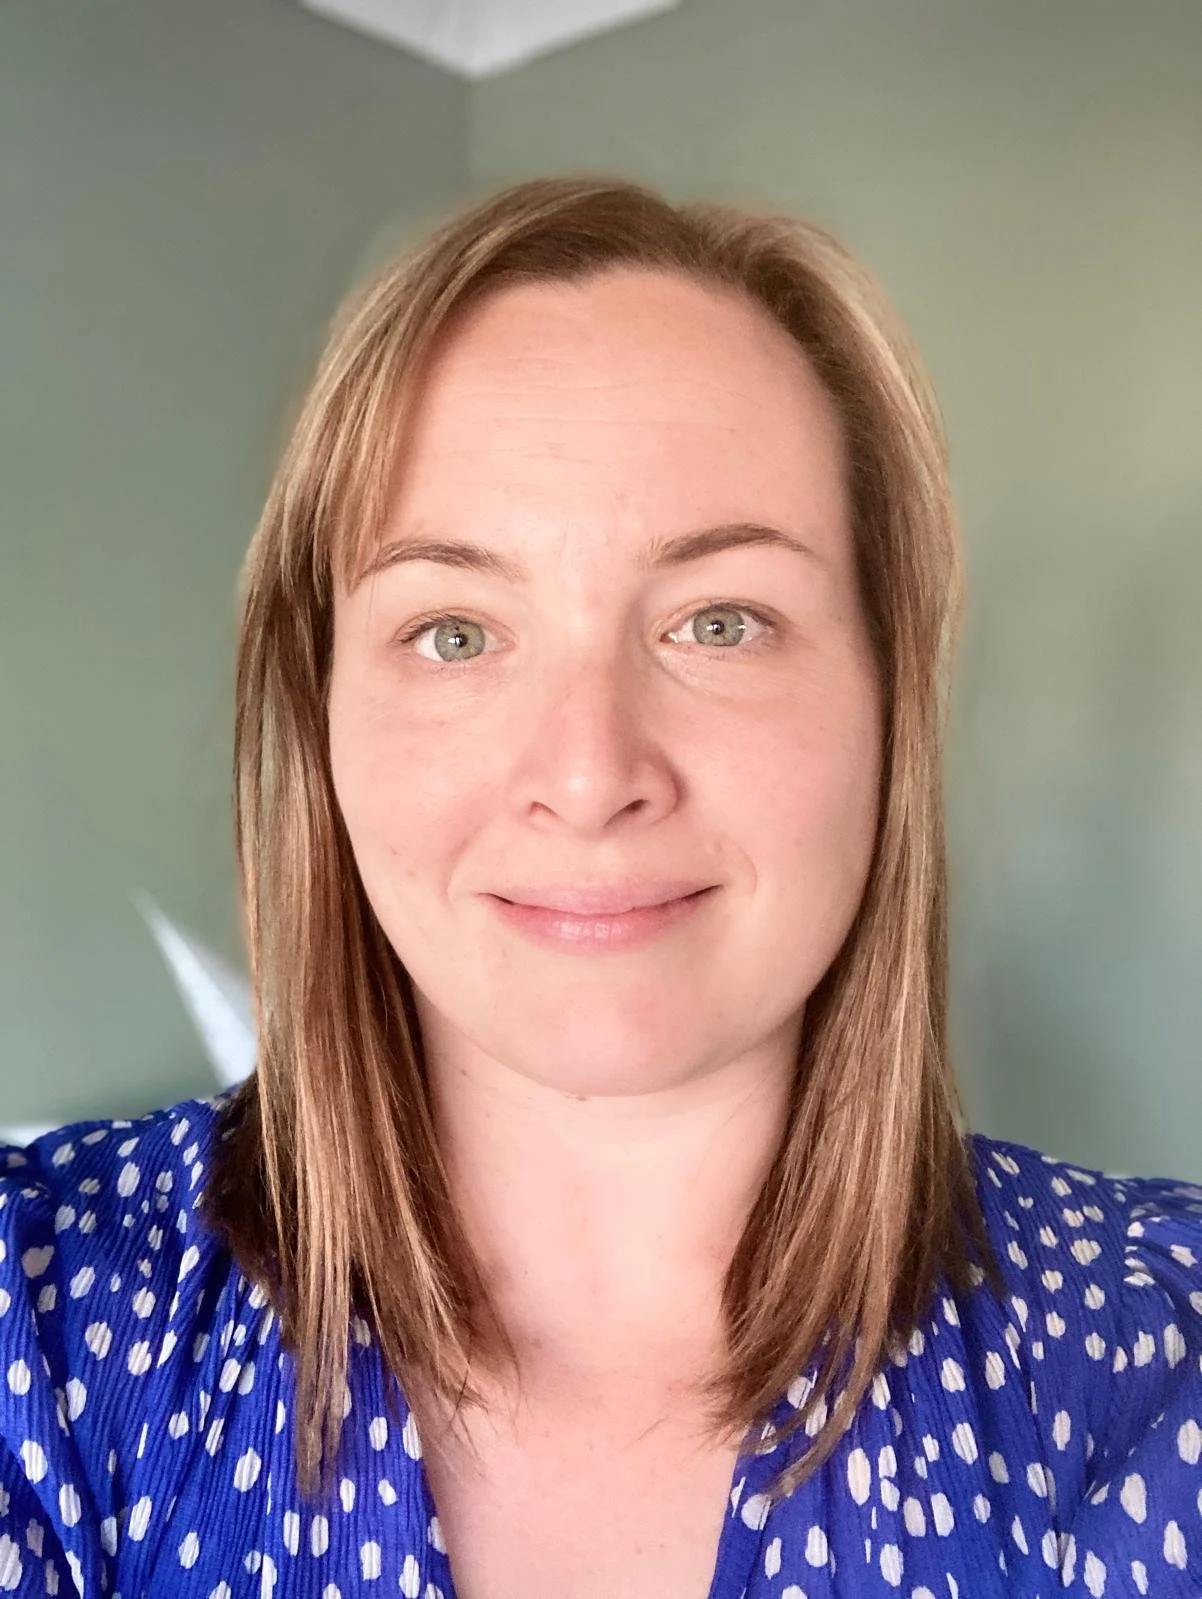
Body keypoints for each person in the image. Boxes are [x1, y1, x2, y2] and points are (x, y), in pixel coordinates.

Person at [1, 174, 1199, 1599]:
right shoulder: (41, 1327)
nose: (587, 771)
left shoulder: (1154, 1346)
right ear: (320, 715)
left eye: (718, 620)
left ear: (890, 700)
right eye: (453, 630)